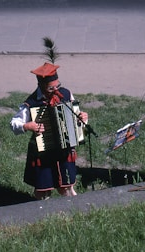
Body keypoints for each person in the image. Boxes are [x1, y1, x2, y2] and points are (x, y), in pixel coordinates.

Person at [10, 62, 88, 200]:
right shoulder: (32, 102)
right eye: (51, 88)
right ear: (41, 86)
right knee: (43, 187)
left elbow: (76, 115)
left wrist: (82, 118)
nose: (57, 91)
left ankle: (71, 203)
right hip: (44, 151)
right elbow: (13, 124)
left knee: (67, 183)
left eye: (58, 86)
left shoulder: (66, 94)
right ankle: (43, 207)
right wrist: (27, 126)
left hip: (65, 147)